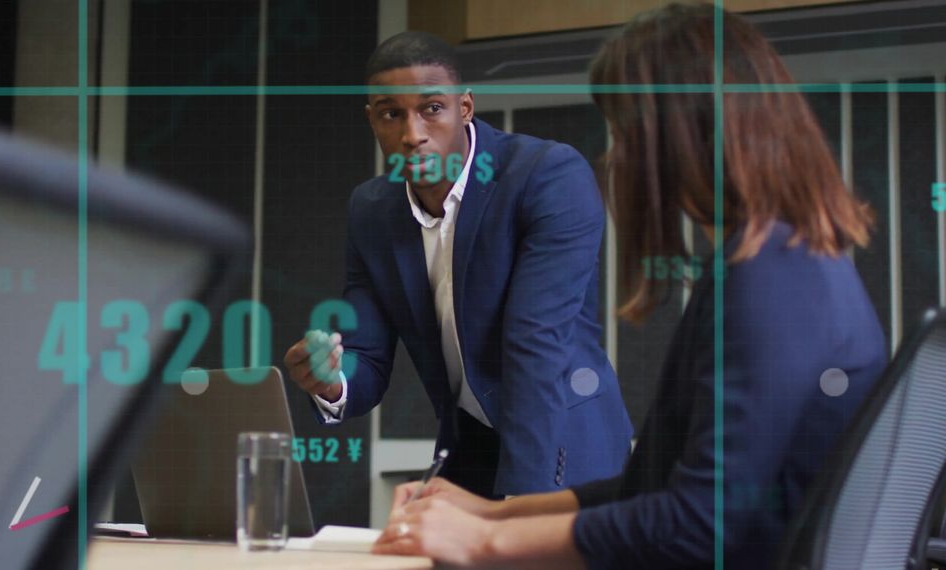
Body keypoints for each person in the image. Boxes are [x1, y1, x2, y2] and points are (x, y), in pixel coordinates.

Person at [371, 4, 888, 568]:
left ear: (683, 131)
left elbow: (699, 524)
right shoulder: (779, 262)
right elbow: (651, 483)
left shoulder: (774, 282)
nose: (617, 155)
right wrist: (488, 513)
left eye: (625, 131)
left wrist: (482, 543)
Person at [282, 31, 633, 498]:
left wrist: (514, 514)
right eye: (392, 114)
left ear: (464, 107)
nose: (413, 135)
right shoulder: (372, 210)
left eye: (432, 109)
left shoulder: (546, 176)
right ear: (372, 120)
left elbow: (535, 345)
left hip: (565, 451)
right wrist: (330, 382)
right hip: (468, 454)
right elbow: (366, 356)